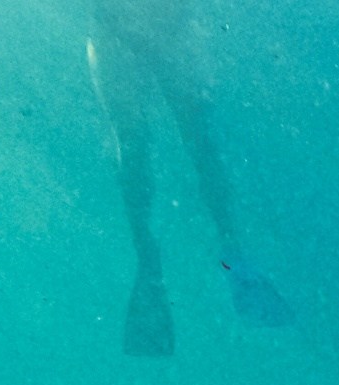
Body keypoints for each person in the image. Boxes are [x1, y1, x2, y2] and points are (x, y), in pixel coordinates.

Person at [88, 0, 294, 356]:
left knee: (159, 145)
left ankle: (161, 263)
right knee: (188, 144)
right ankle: (225, 259)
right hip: (147, 27)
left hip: (137, 26)